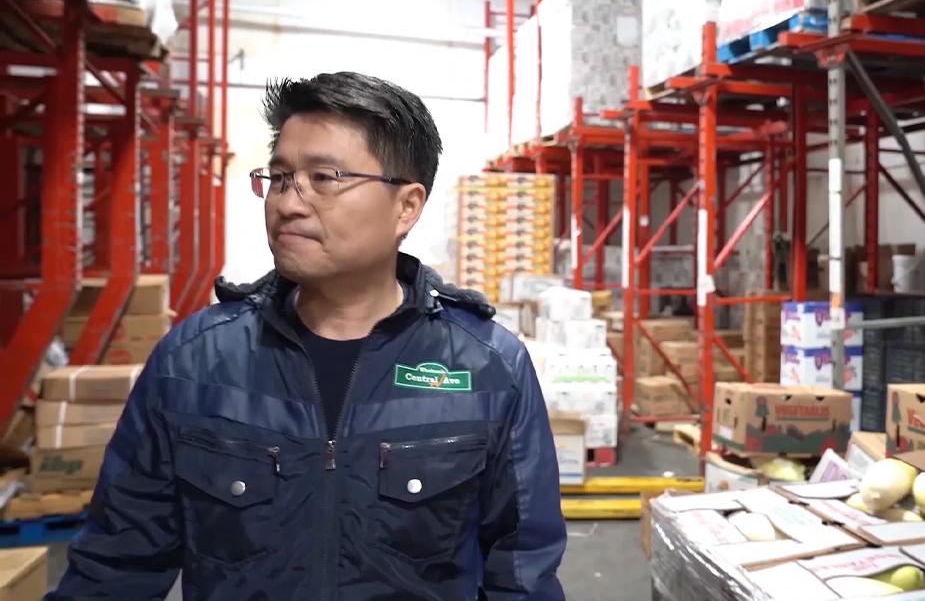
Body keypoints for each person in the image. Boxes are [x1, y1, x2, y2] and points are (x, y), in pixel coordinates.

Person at [49, 72, 567, 600]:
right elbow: (114, 567)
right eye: (278, 178)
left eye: (324, 178)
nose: (288, 203)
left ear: (406, 206)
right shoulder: (194, 362)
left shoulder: (486, 366)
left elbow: (522, 571)